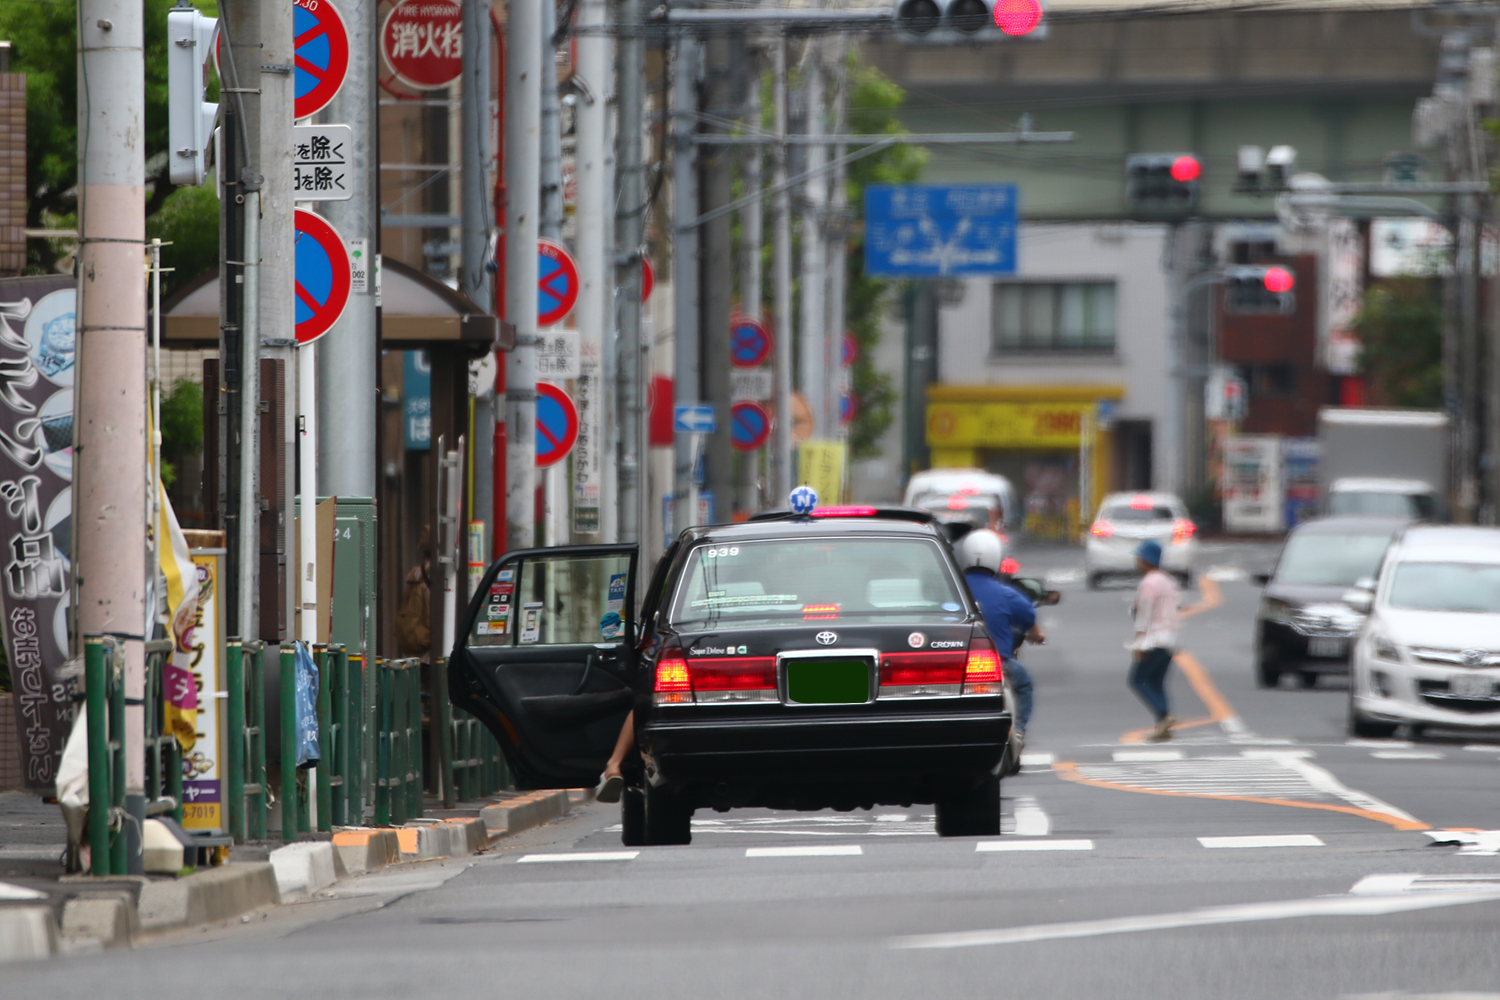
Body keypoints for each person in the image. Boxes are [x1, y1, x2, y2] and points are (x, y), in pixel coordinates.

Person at [957, 530, 1045, 735]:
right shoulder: (1004, 592)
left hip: (955, 662)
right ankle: (1018, 731)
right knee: (1023, 684)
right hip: (996, 662)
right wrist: (1037, 634)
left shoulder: (952, 589)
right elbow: (1028, 616)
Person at [1128, 539, 1189, 742]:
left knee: (1138, 680)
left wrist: (1139, 641)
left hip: (1153, 639)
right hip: (1170, 639)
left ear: (1146, 560)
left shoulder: (1149, 582)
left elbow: (1144, 613)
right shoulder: (1168, 581)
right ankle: (1163, 725)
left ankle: (1163, 713)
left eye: (1139, 557)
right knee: (1156, 681)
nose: (1137, 561)